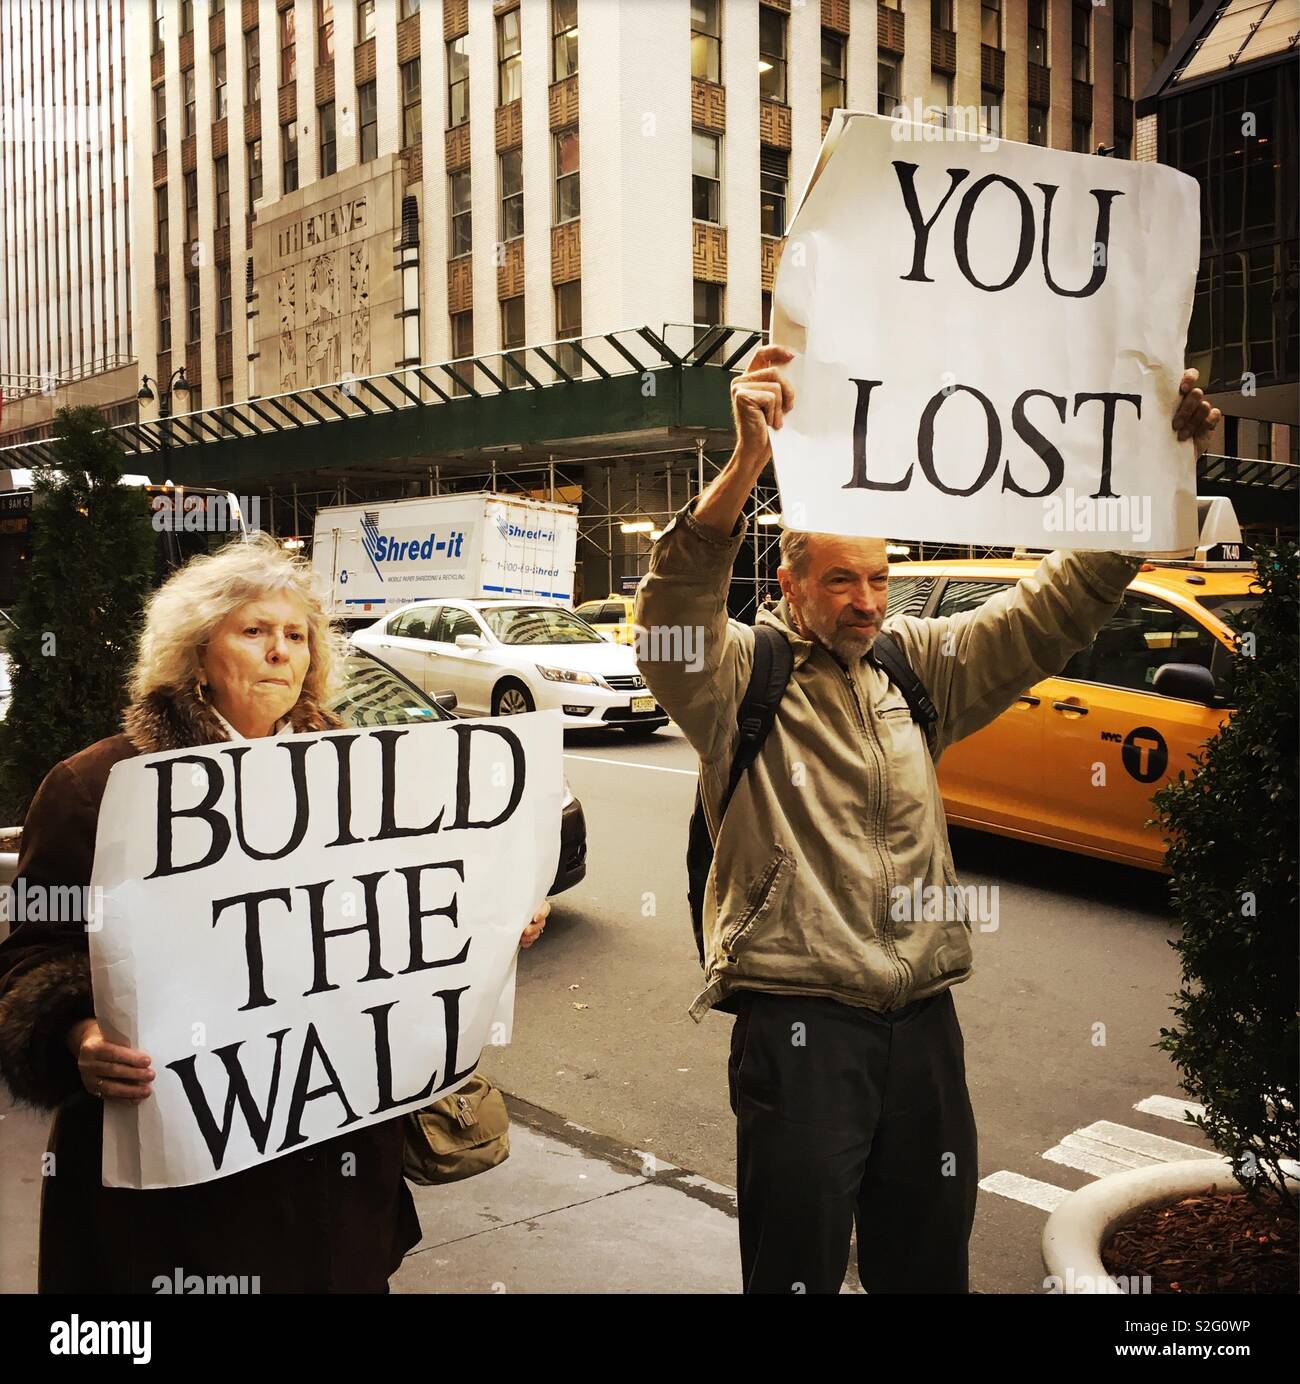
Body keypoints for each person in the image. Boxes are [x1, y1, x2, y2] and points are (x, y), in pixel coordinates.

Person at [634, 345, 1220, 1295]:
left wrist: (1155, 467)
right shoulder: (736, 675)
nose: (867, 602)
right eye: (839, 582)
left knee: (928, 1259)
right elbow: (668, 608)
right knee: (798, 1268)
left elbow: (1051, 608)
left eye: (879, 578)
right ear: (789, 586)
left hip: (924, 1025)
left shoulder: (916, 664)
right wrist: (745, 463)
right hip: (802, 1027)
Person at [0, 532, 549, 1293]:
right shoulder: (101, 785)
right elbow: (30, 961)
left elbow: (404, 915)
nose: (279, 652)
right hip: (178, 1179)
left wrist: (493, 916)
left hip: (333, 1171)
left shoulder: (368, 778)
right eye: (253, 631)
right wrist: (77, 1036)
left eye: (296, 636)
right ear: (196, 653)